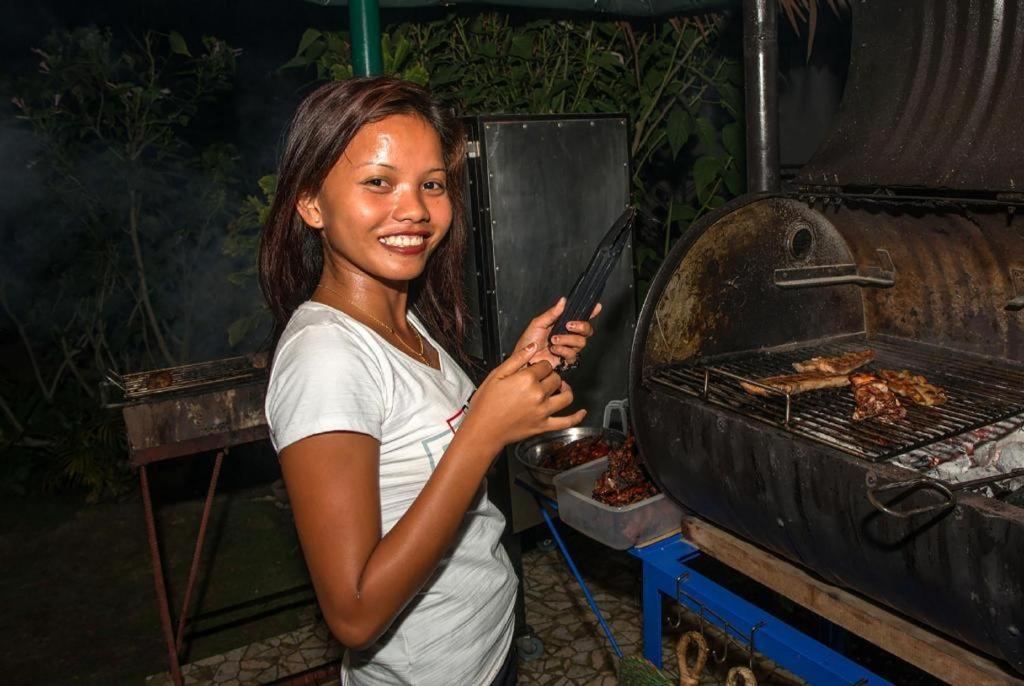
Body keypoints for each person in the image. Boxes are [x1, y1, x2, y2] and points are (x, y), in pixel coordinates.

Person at [259, 77, 599, 686]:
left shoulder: (402, 318)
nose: (414, 209)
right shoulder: (325, 358)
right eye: (378, 182)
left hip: (483, 646)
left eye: (431, 184)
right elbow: (354, 614)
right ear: (311, 202)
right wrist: (484, 431)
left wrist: (519, 373)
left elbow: (424, 449)